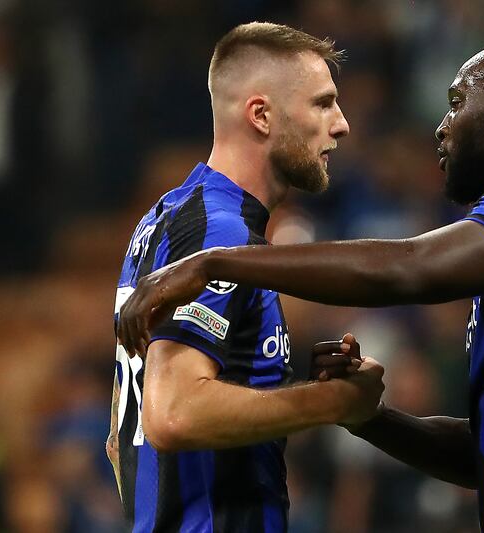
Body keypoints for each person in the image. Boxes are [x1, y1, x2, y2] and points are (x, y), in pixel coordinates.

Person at [119, 41, 484, 532]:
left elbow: (409, 267)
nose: (443, 126)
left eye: (458, 103)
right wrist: (369, 418)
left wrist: (217, 263)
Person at [107, 22, 384, 532]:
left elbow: (119, 438)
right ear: (261, 115)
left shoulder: (165, 219)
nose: (341, 124)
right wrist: (329, 402)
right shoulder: (217, 233)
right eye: (323, 104)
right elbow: (173, 413)